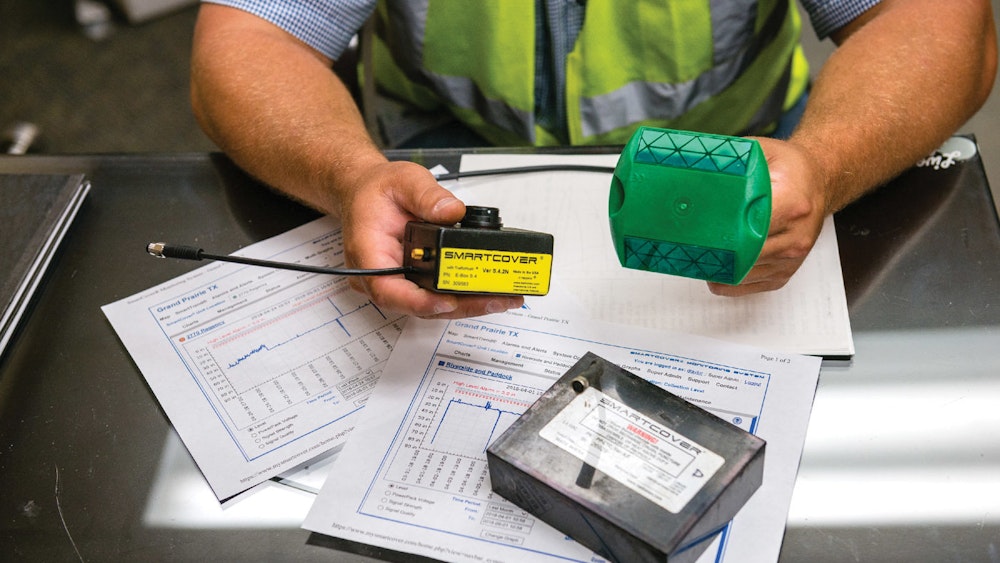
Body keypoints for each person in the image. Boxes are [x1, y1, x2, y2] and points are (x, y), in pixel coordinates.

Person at [189, 0, 996, 319]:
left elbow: (935, 21)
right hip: (435, 174)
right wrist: (348, 172)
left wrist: (825, 163)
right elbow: (248, 40)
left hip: (737, 186)